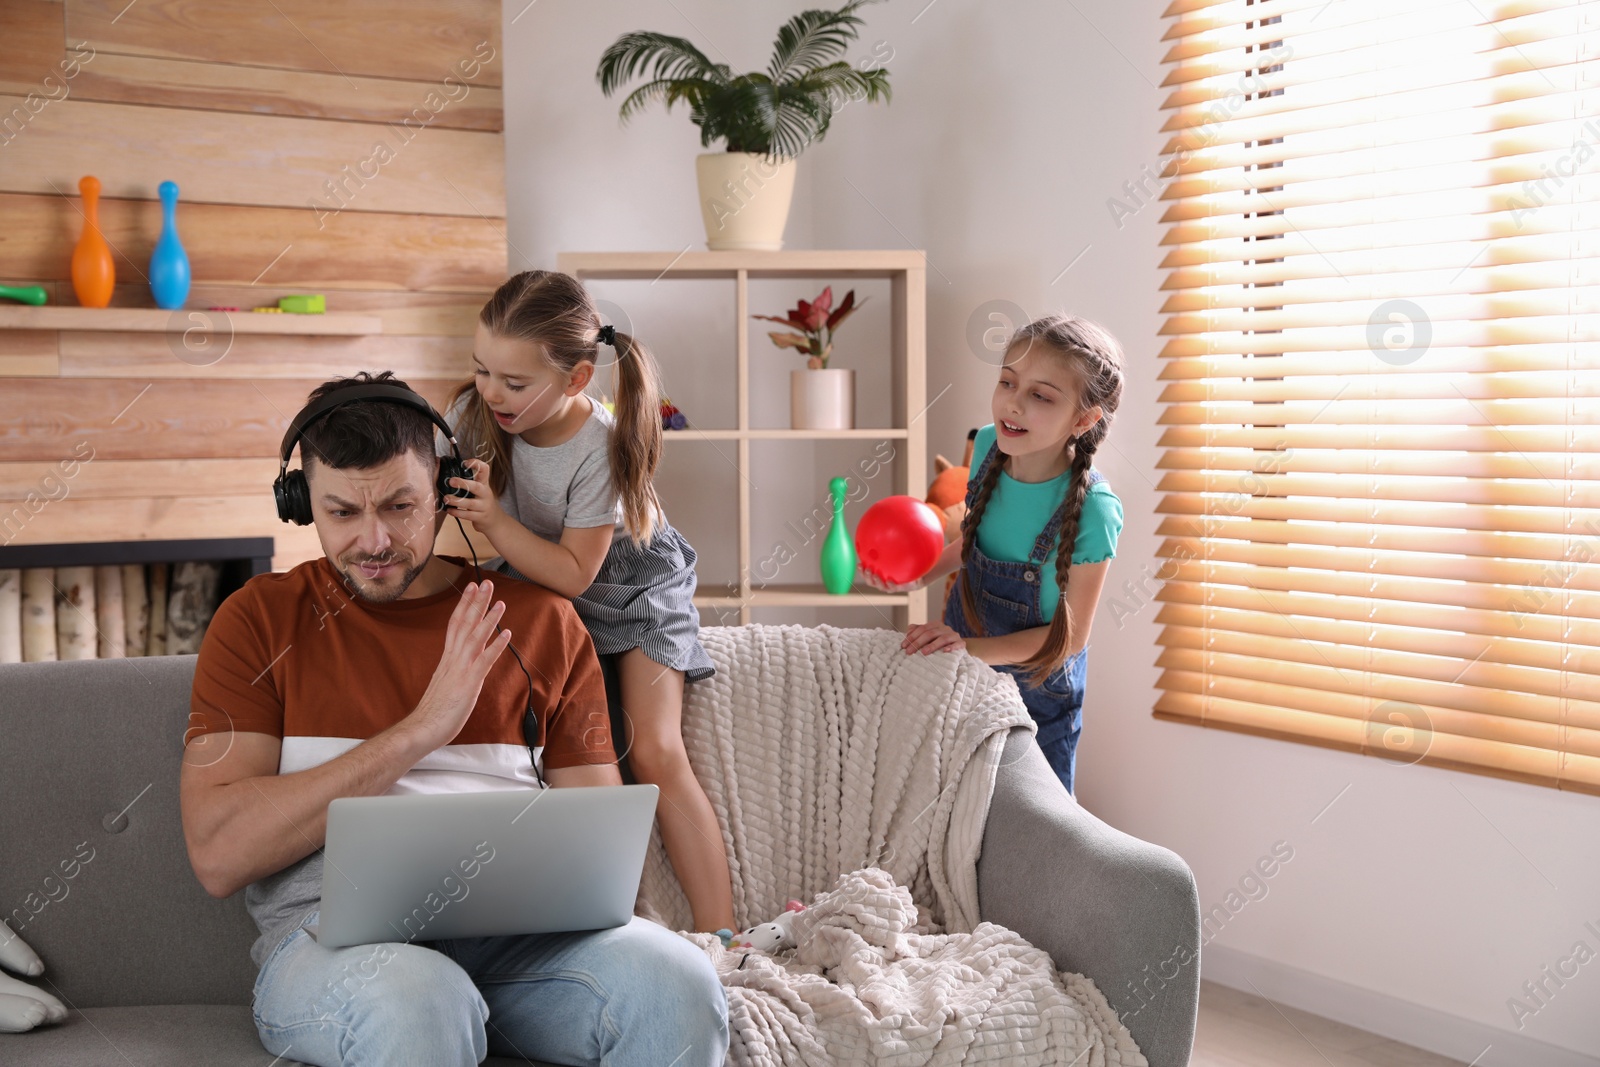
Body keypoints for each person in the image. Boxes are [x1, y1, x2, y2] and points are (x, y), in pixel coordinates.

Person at [180, 372, 728, 1067]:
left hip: (525, 950)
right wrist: (419, 732)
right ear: (301, 504)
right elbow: (219, 854)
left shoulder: (540, 622)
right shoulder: (257, 621)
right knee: (422, 994)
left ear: (446, 489)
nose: (374, 540)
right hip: (334, 951)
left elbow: (598, 842)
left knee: (676, 980)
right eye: (342, 512)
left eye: (401, 506)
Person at [437, 270, 737, 936]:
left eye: (515, 383)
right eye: (481, 369)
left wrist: (493, 523)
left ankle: (726, 938)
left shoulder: (599, 444)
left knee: (654, 750)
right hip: (536, 583)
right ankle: (602, 926)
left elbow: (575, 571)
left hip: (631, 584)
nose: (491, 391)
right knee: (558, 752)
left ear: (575, 380)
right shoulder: (474, 414)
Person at [861, 314, 1126, 795]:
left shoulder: (1094, 510)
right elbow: (978, 544)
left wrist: (970, 650)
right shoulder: (987, 445)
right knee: (955, 807)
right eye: (1008, 382)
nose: (1014, 403)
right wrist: (917, 576)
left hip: (1040, 697)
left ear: (1084, 419)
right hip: (966, 670)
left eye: (1041, 396)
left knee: (1036, 824)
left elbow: (1069, 639)